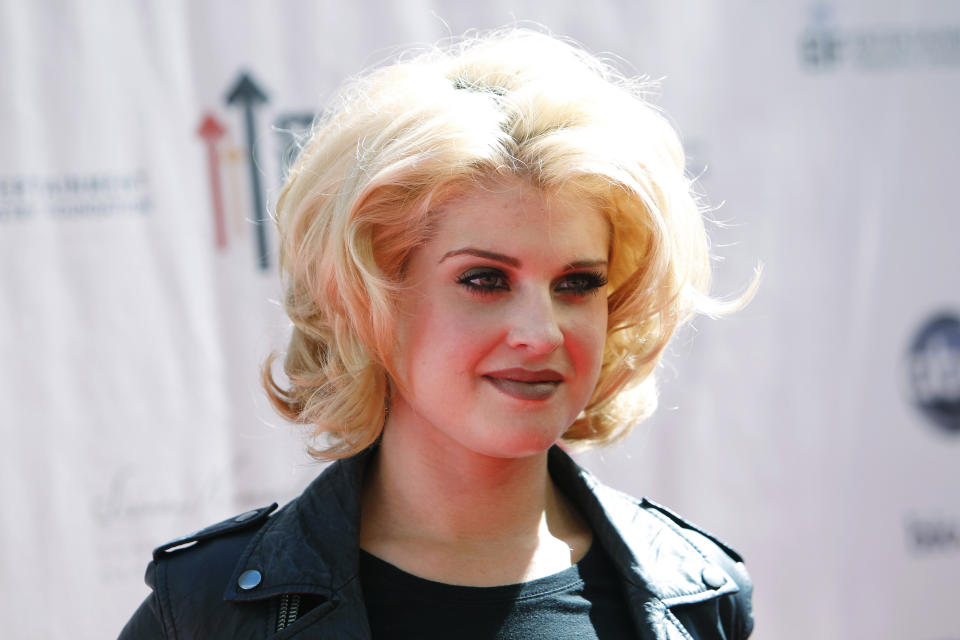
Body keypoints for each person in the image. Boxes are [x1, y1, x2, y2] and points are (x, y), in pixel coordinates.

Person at [120, 28, 754, 639]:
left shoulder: (697, 595)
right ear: (368, 296)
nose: (542, 334)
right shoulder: (207, 612)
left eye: (578, 283)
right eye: (485, 280)